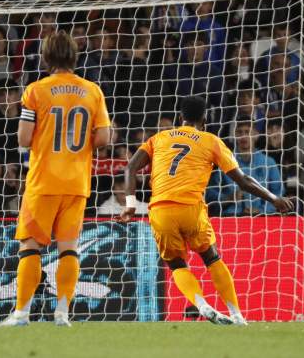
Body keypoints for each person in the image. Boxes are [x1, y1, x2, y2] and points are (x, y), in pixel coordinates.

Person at [118, 96, 293, 326]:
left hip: (160, 209)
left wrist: (130, 204)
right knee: (211, 257)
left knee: (177, 264)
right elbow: (243, 181)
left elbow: (130, 167)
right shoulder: (211, 141)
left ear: (180, 118)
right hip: (191, 208)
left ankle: (201, 304)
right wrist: (273, 198)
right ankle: (237, 315)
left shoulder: (158, 138)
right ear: (205, 119)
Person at [0, 30, 111, 327]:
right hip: (77, 183)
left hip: (43, 181)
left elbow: (23, 139)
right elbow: (103, 137)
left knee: (30, 247)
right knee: (69, 247)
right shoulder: (92, 90)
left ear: (46, 57)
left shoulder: (36, 90)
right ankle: (62, 312)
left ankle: (21, 313)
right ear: (74, 56)